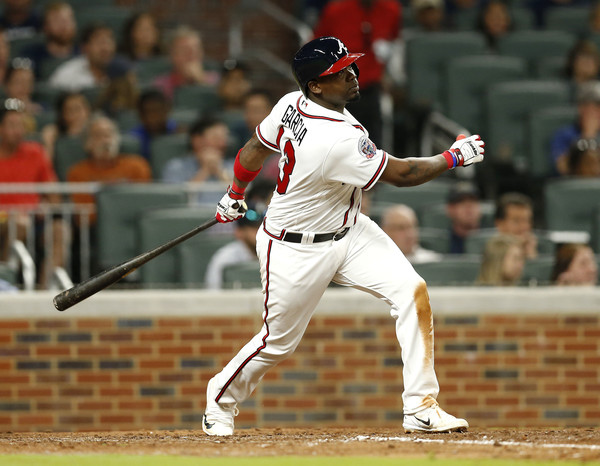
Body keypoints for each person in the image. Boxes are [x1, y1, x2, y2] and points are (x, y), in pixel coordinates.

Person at [203, 36, 485, 436]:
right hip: (293, 247)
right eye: (340, 73)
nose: (352, 75)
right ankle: (219, 399)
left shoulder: (291, 103)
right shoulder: (334, 139)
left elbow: (253, 149)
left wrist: (235, 192)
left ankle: (421, 406)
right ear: (315, 85)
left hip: (349, 229)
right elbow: (403, 175)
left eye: (351, 66)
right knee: (278, 343)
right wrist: (454, 156)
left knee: (412, 291)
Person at [313, 0, 402, 147]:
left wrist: (391, 76)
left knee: (373, 142)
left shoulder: (391, 9)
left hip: (372, 87)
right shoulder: (336, 10)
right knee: (340, 141)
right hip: (339, 87)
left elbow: (396, 46)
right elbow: (317, 46)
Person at [0, 97, 68, 287]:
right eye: (12, 125)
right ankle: (5, 282)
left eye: (21, 125)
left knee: (60, 230)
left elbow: (53, 195)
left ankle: (44, 292)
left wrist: (46, 206)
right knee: (19, 224)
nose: (18, 130)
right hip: (5, 219)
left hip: (33, 219)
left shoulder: (36, 152)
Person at [205, 203, 264, 290]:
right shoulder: (225, 258)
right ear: (239, 232)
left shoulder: (277, 254)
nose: (261, 232)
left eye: (263, 227)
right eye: (255, 228)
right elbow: (213, 295)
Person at [48, 23, 121, 91]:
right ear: (85, 48)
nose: (106, 48)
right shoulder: (67, 75)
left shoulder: (122, 73)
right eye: (99, 42)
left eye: (109, 42)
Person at [153, 26, 219, 101]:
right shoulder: (161, 85)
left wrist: (201, 80)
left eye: (196, 49)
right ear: (171, 56)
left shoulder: (216, 81)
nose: (192, 54)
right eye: (185, 50)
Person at [550, 81, 600, 175]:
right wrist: (588, 136)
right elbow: (562, 168)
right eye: (595, 106)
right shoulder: (564, 135)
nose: (598, 112)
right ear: (581, 108)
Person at [162, 116, 230, 184]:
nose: (223, 143)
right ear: (197, 140)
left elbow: (239, 193)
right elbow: (176, 194)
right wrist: (205, 171)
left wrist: (220, 171)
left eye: (224, 138)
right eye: (216, 138)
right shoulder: (176, 167)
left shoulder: (234, 166)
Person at [21, 1, 77, 80]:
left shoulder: (84, 54)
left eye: (68, 19)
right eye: (57, 21)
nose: (64, 25)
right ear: (45, 27)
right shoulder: (33, 57)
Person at [129, 88, 177, 162]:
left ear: (167, 110)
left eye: (157, 111)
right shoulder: (134, 139)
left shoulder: (177, 131)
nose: (152, 117)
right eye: (147, 112)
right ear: (140, 115)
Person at [40, 91, 91, 161]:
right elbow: (46, 163)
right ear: (62, 115)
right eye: (70, 110)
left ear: (87, 111)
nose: (76, 115)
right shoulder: (53, 133)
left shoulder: (98, 129)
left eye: (79, 109)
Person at [494, 192, 538, 260]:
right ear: (499, 224)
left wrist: (531, 256)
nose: (523, 227)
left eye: (526, 220)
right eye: (516, 221)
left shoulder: (540, 248)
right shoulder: (487, 252)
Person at [446, 181, 482, 254]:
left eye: (473, 201)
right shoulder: (443, 243)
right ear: (450, 209)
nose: (469, 207)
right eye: (461, 202)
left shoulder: (491, 241)